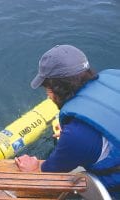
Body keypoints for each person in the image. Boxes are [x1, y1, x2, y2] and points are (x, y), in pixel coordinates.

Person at [15, 45, 120, 198]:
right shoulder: (113, 76)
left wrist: (34, 168)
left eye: (47, 89)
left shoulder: (76, 135)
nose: (48, 96)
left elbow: (48, 173)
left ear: (56, 88)